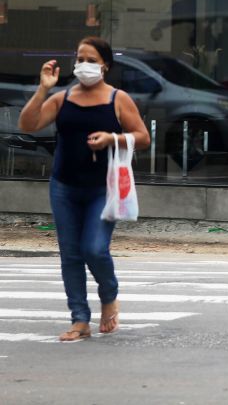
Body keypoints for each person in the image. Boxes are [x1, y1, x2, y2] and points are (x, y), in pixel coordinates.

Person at [18, 36, 150, 340]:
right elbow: (28, 124)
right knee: (71, 255)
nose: (84, 65)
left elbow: (143, 137)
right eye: (80, 59)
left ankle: (109, 295)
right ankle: (79, 318)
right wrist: (43, 89)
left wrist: (111, 139)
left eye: (91, 60)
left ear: (104, 65)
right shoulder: (62, 98)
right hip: (64, 187)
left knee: (94, 249)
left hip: (102, 189)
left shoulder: (118, 99)